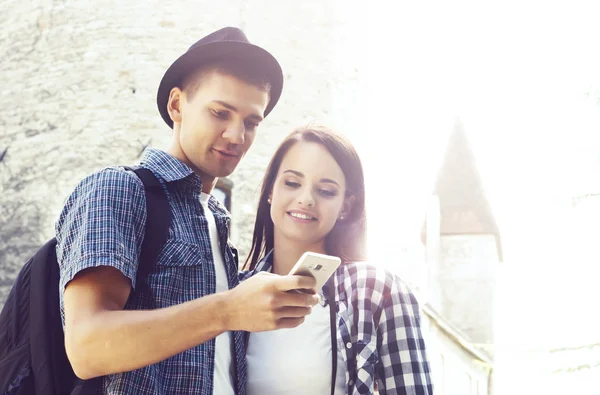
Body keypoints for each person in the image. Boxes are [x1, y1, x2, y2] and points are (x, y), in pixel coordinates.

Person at [55, 27, 319, 394]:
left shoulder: (215, 220)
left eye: (250, 122)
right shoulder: (119, 188)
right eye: (220, 113)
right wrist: (228, 310)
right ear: (177, 105)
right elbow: (86, 348)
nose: (236, 136)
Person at [242, 126, 434, 394]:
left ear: (345, 206)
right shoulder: (235, 294)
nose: (306, 199)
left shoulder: (377, 290)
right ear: (271, 190)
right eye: (292, 183)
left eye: (326, 191)